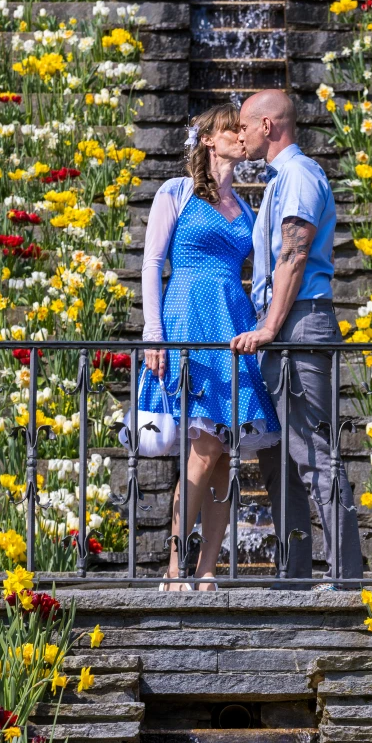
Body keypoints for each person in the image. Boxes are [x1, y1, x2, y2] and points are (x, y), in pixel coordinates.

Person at [140, 103, 279, 591]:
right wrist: (153, 336)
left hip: (232, 322)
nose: (242, 137)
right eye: (231, 130)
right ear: (207, 140)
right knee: (203, 448)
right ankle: (176, 566)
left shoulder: (247, 209)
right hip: (189, 318)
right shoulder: (175, 193)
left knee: (225, 452)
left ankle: (206, 569)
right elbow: (153, 263)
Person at [230, 89, 363, 586]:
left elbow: (294, 254)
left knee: (313, 453)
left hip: (299, 324)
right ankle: (296, 574)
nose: (238, 134)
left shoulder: (301, 176)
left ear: (268, 126)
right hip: (283, 326)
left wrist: (268, 326)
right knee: (278, 458)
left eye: (244, 124)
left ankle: (346, 576)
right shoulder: (280, 179)